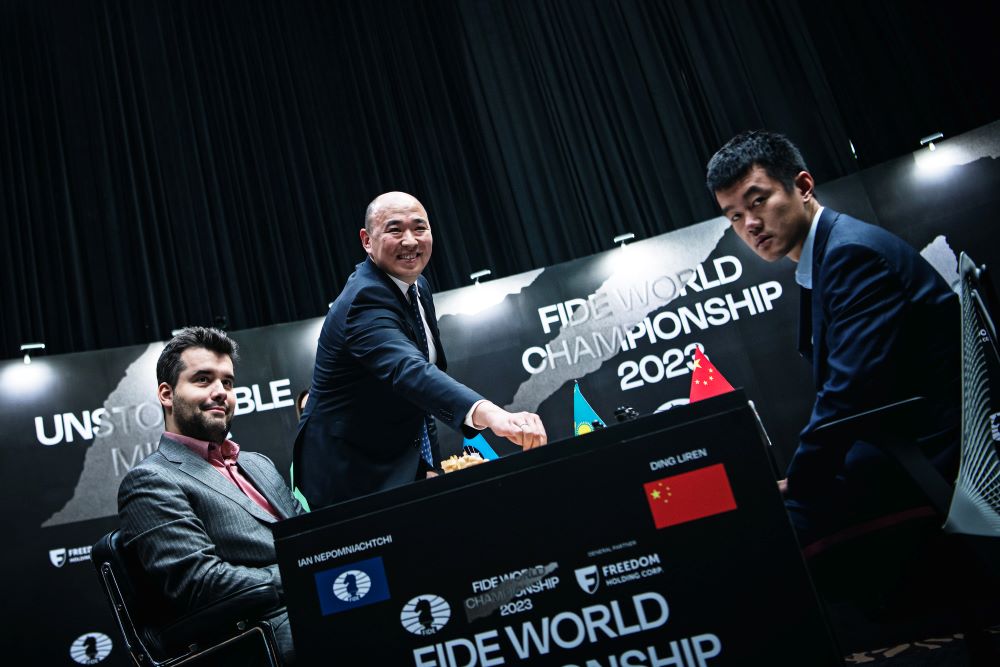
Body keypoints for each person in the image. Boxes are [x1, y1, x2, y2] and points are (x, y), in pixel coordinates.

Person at [706, 131, 960, 547]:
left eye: (758, 201)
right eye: (734, 216)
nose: (750, 224)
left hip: (922, 460)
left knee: (758, 535)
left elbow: (847, 396)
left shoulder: (849, 254)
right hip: (896, 452)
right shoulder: (829, 255)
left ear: (803, 186)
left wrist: (800, 481)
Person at [294, 191, 547, 507]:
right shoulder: (364, 300)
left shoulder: (417, 286)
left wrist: (428, 466)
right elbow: (409, 371)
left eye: (419, 228)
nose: (410, 240)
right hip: (351, 474)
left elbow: (418, 393)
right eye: (395, 229)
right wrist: (492, 415)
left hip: (397, 456)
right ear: (367, 240)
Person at [118, 327, 303, 663]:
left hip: (318, 602)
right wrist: (303, 572)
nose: (221, 392)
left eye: (228, 382)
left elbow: (311, 538)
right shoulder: (150, 480)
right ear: (166, 394)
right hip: (261, 632)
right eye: (203, 379)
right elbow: (199, 584)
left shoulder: (259, 464)